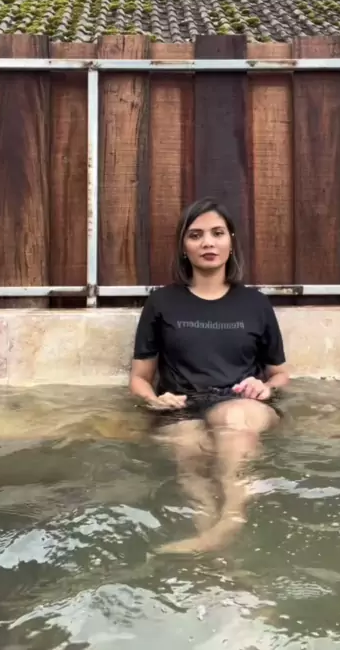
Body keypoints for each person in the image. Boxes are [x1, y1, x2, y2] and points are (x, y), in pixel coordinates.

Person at [129, 196, 289, 554]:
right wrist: (154, 400)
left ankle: (232, 519)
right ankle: (209, 543)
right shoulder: (162, 302)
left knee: (232, 419)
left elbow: (280, 374)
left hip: (240, 402)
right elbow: (139, 378)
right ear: (183, 247)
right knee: (187, 444)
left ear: (231, 241)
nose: (208, 243)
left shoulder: (255, 303)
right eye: (196, 235)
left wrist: (264, 386)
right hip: (182, 406)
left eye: (217, 233)